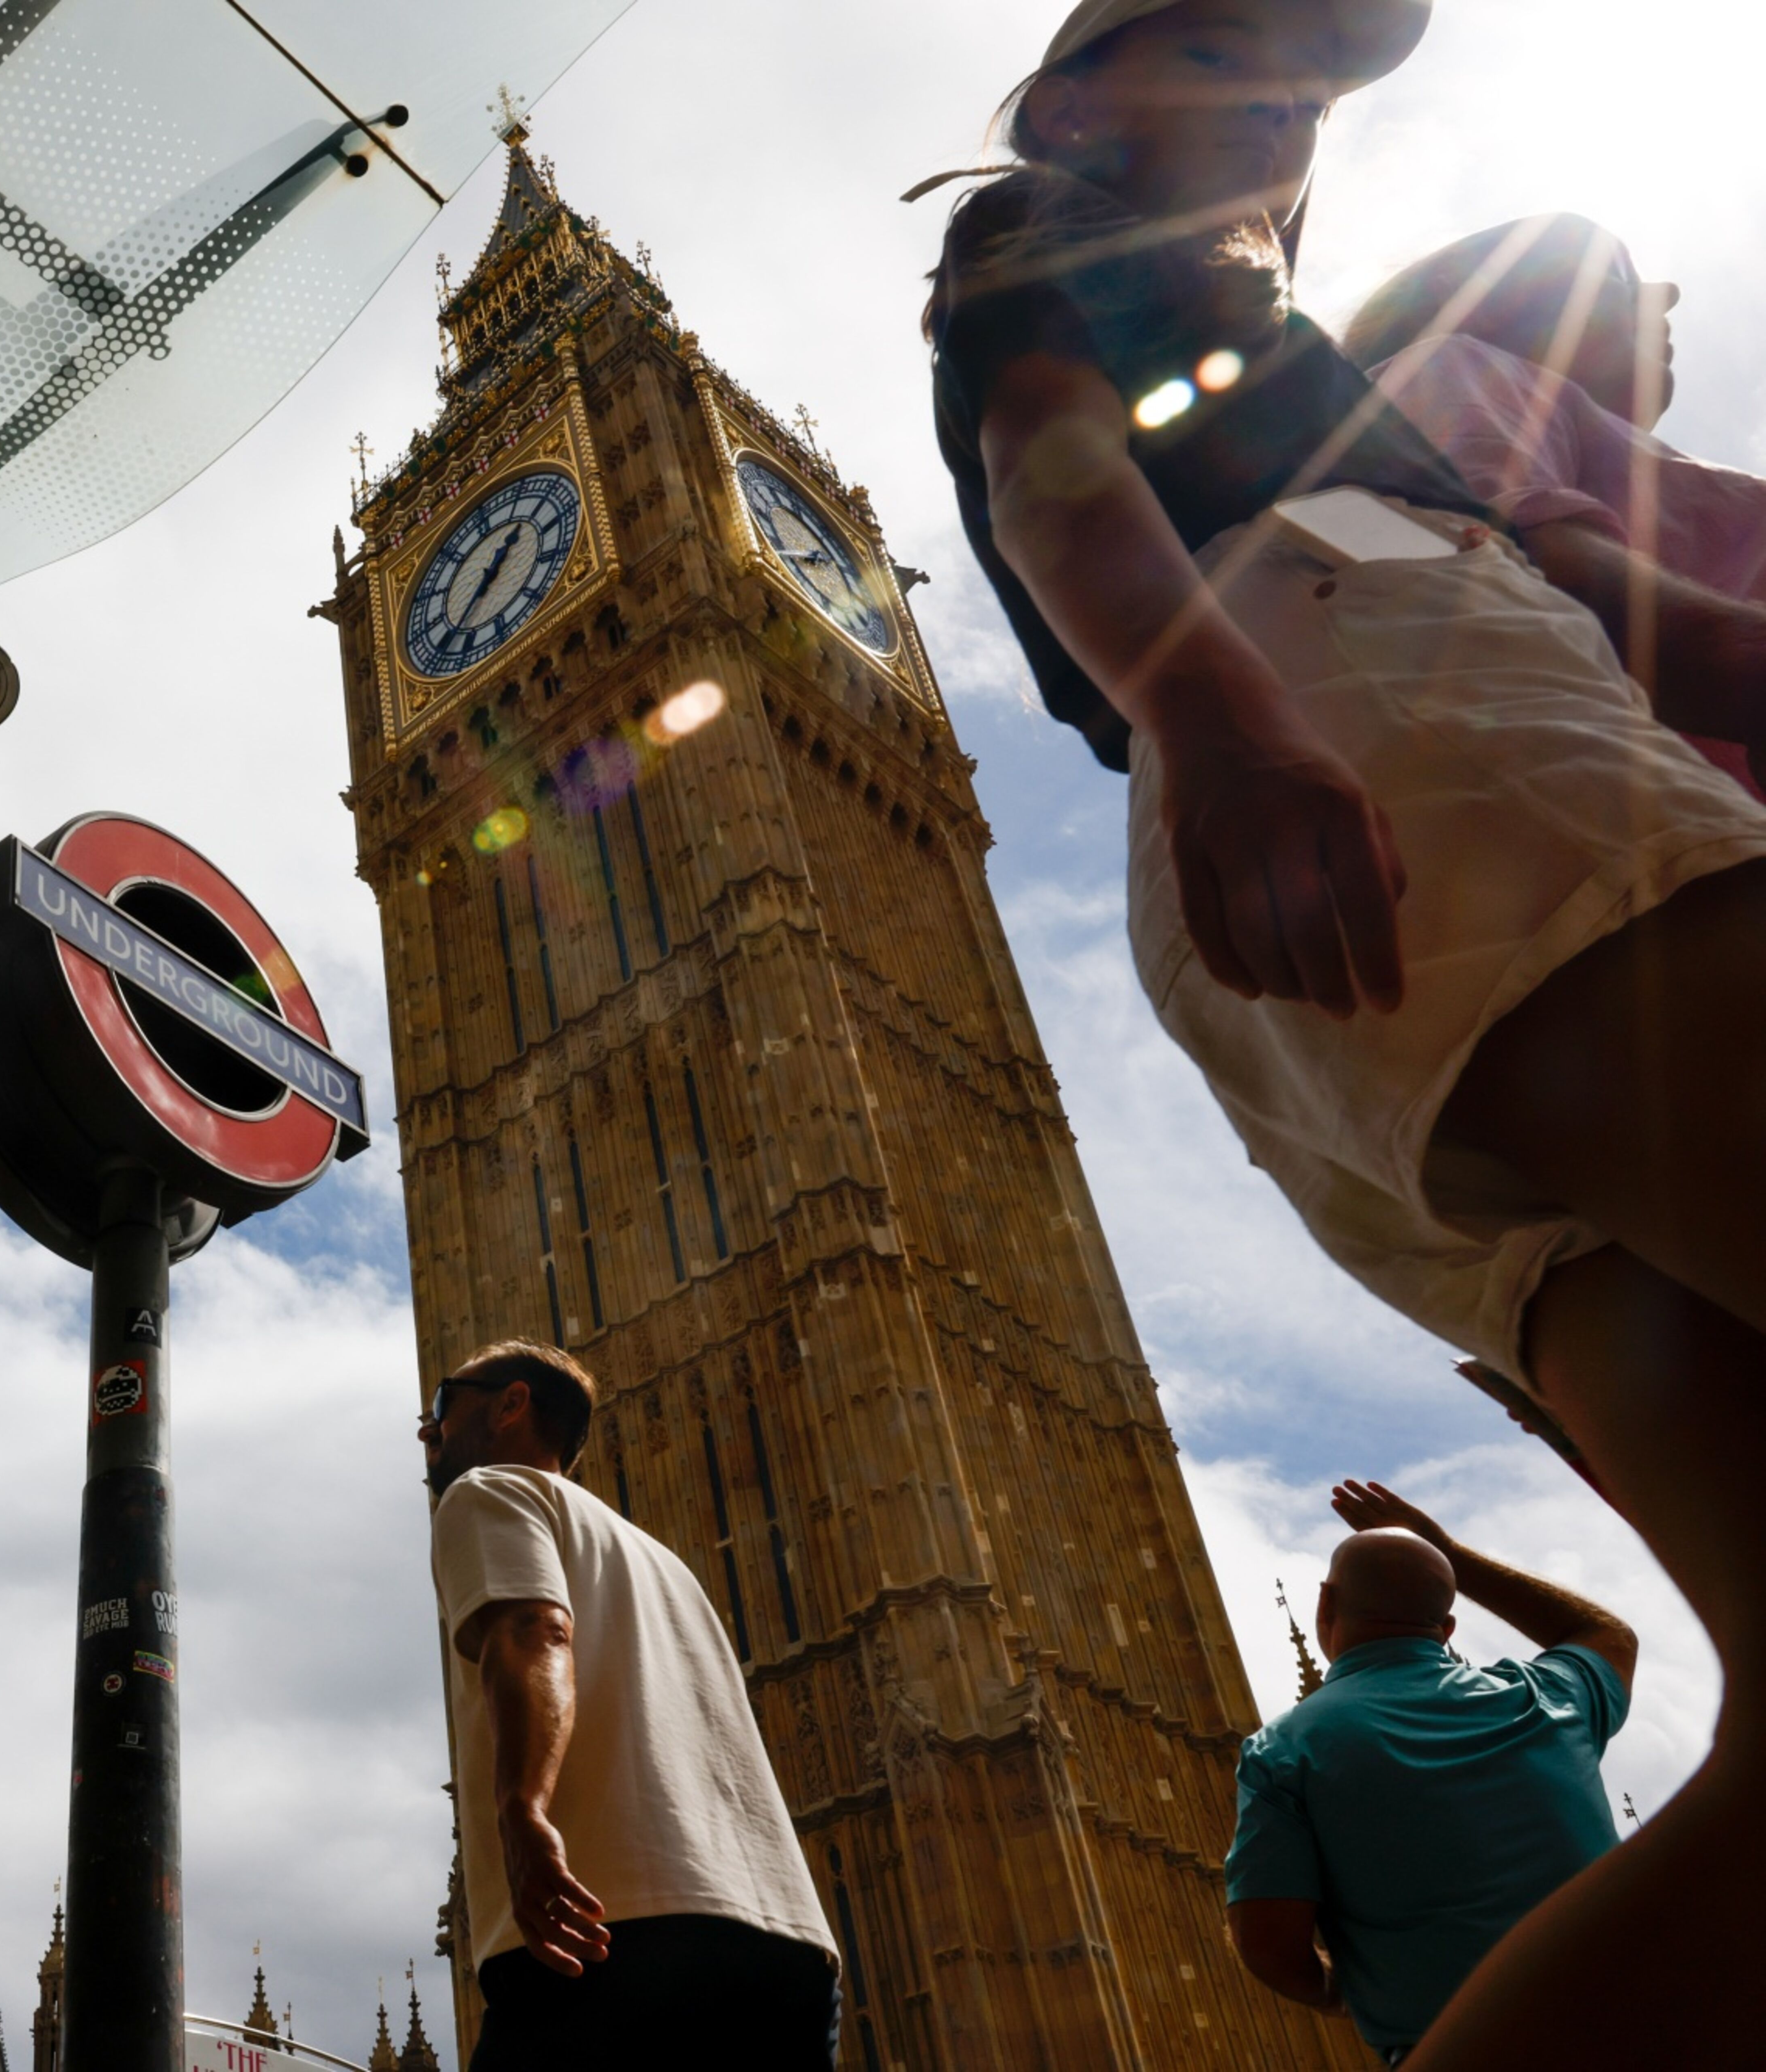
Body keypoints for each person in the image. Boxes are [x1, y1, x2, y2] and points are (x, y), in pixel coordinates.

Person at [918, 4, 1766, 2057]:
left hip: (1355, 870)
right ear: (1071, 110)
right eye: (1235, 46)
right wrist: (1212, 711)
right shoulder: (1054, 240)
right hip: (1385, 741)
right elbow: (1047, 465)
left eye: (1309, 80)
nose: (1286, 97)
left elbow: (1587, 580)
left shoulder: (1319, 387)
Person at [419, 1340, 838, 2068]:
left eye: (440, 1403)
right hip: (788, 1954)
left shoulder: (488, 1490)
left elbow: (532, 1629)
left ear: (512, 1402)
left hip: (606, 1926)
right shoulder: (666, 1565)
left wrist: (524, 1807)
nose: (426, 1429)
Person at [1344, 215, 1766, 794]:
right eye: (1614, 274)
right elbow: (1517, 566)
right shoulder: (1458, 367)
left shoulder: (1661, 467)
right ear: (1479, 299)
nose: (1663, 296)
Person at [1227, 1480, 1633, 2064]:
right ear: (1447, 1627)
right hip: (1647, 2024)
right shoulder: (1546, 1698)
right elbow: (1609, 1635)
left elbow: (1267, 1941)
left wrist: (1342, 1995)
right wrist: (1449, 1551)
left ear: (1325, 1605)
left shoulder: (1285, 1750)